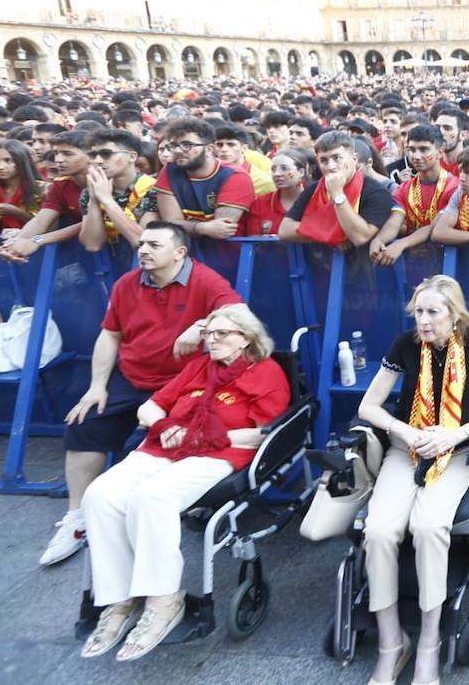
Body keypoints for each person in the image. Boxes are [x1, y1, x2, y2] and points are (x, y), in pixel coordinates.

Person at [78, 303, 288, 661]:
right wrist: (164, 426)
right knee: (100, 494)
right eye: (209, 334)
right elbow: (150, 407)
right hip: (165, 446)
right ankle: (120, 600)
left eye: (222, 334)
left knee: (151, 497)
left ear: (246, 338)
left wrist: (200, 436)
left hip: (218, 454)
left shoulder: (265, 373)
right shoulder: (199, 367)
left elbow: (261, 434)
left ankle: (163, 601)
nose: (212, 340)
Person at [44, 222, 241, 567]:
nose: (144, 250)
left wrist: (202, 326)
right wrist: (97, 386)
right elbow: (110, 335)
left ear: (179, 252)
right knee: (84, 422)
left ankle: (157, 508)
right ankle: (76, 520)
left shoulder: (206, 281)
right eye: (142, 244)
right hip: (133, 376)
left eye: (154, 244)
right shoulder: (126, 284)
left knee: (175, 438)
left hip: (183, 381)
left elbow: (239, 316)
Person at [356, 276, 469, 685]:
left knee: (428, 527)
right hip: (407, 446)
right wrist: (405, 431)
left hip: (459, 450)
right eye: (419, 312)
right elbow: (369, 406)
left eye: (432, 312)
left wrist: (455, 434)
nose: (423, 321)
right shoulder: (405, 346)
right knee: (378, 530)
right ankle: (392, 643)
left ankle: (428, 641)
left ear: (454, 314)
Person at [279, 131, 395, 248]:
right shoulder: (313, 190)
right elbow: (285, 230)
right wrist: (335, 235)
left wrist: (337, 194)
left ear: (354, 159)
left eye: (337, 158)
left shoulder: (377, 192)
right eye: (324, 160)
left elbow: (360, 237)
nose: (331, 166)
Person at [0, 129, 91, 263]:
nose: (59, 160)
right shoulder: (60, 185)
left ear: (91, 156)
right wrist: (14, 245)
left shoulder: (106, 183)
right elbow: (41, 220)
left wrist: (36, 241)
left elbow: (90, 223)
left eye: (68, 154)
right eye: (56, 153)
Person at [153, 117, 256, 241]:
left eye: (187, 145)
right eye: (174, 145)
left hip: (227, 254)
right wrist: (200, 228)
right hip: (183, 252)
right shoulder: (170, 170)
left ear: (209, 149)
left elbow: (221, 229)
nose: (178, 150)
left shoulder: (235, 176)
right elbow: (170, 222)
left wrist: (189, 225)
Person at [371, 125, 459, 264]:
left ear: (440, 152)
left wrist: (401, 244)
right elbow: (393, 223)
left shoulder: (454, 187)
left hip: (448, 265)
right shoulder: (403, 189)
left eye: (423, 149)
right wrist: (378, 240)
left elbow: (434, 227)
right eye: (412, 150)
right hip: (413, 266)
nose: (416, 156)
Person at [77, 129, 159, 252]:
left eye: (106, 154)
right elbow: (92, 245)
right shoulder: (90, 191)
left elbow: (141, 241)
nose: (98, 161)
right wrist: (94, 201)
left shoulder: (153, 188)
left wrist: (107, 200)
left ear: (132, 157)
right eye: (93, 155)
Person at [0, 139, 42, 234]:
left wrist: (15, 212)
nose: (1, 166)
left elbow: (45, 227)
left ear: (21, 161)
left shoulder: (41, 189)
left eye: (8, 160)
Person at [240, 147, 313, 237]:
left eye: (284, 168)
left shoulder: (316, 198)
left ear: (301, 172)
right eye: (273, 169)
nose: (277, 174)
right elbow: (254, 240)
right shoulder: (260, 204)